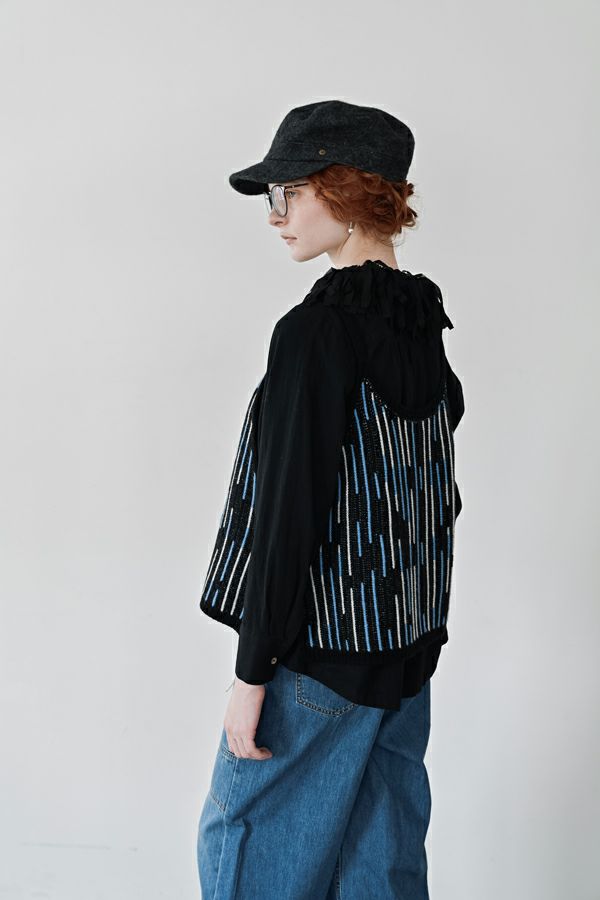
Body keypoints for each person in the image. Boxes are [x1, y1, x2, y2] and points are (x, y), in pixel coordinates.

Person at [196, 100, 465, 899]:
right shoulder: (420, 323)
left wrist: (252, 678)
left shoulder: (314, 333)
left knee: (247, 854)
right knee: (378, 871)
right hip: (404, 654)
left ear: (344, 190)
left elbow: (289, 515)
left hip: (318, 661)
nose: (274, 215)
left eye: (289, 192)